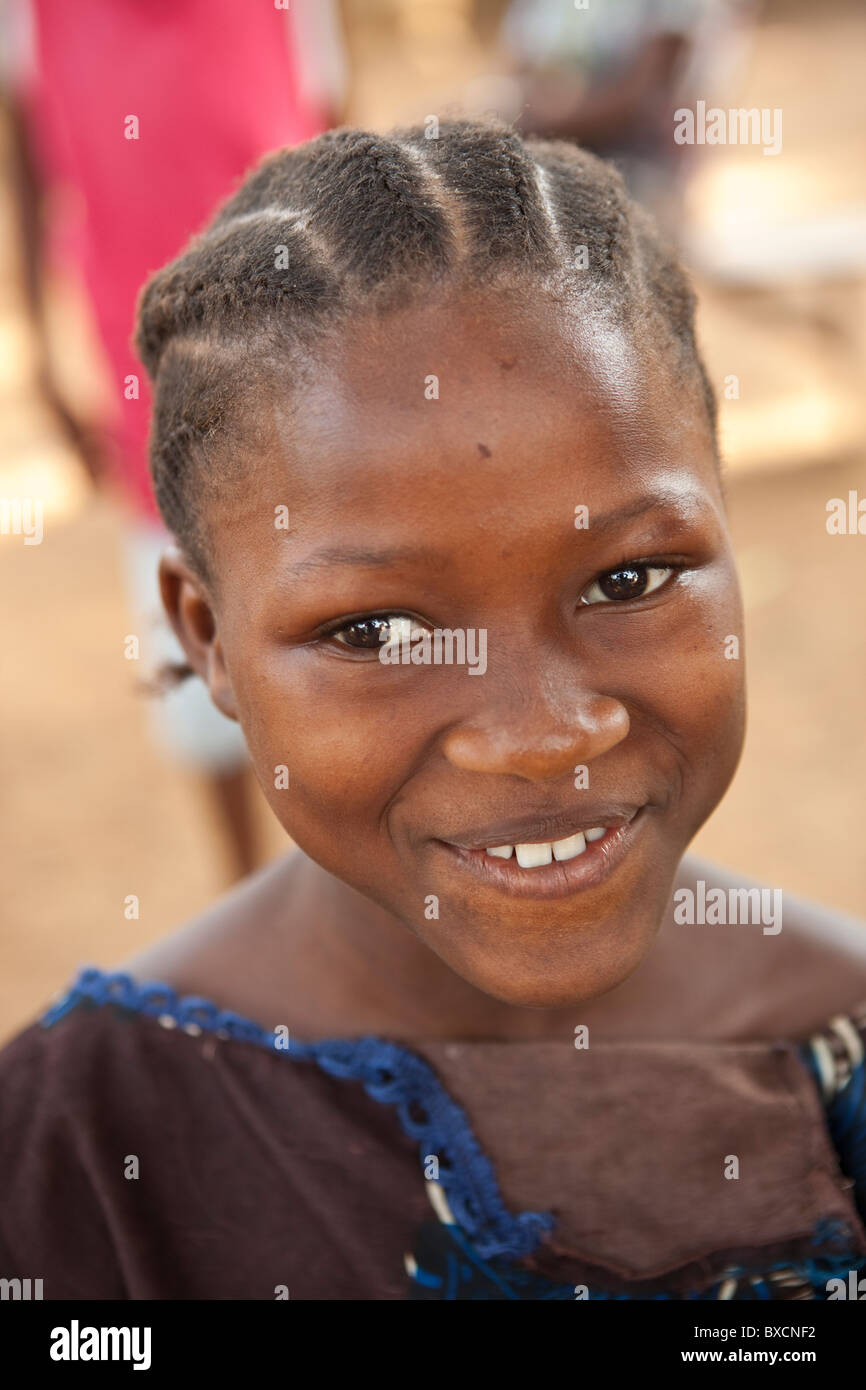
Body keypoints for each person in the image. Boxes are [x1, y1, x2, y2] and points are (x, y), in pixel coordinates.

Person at [0, 120, 865, 1300]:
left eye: (627, 580)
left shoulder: (838, 1054)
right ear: (206, 637)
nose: (544, 734)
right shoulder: (81, 1158)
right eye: (376, 633)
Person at [4, 0, 346, 877]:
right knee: (197, 656)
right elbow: (31, 172)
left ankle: (349, 888)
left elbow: (343, 159)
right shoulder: (36, 17)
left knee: (336, 623)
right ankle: (250, 888)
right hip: (138, 370)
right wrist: (44, 352)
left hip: (295, 352)